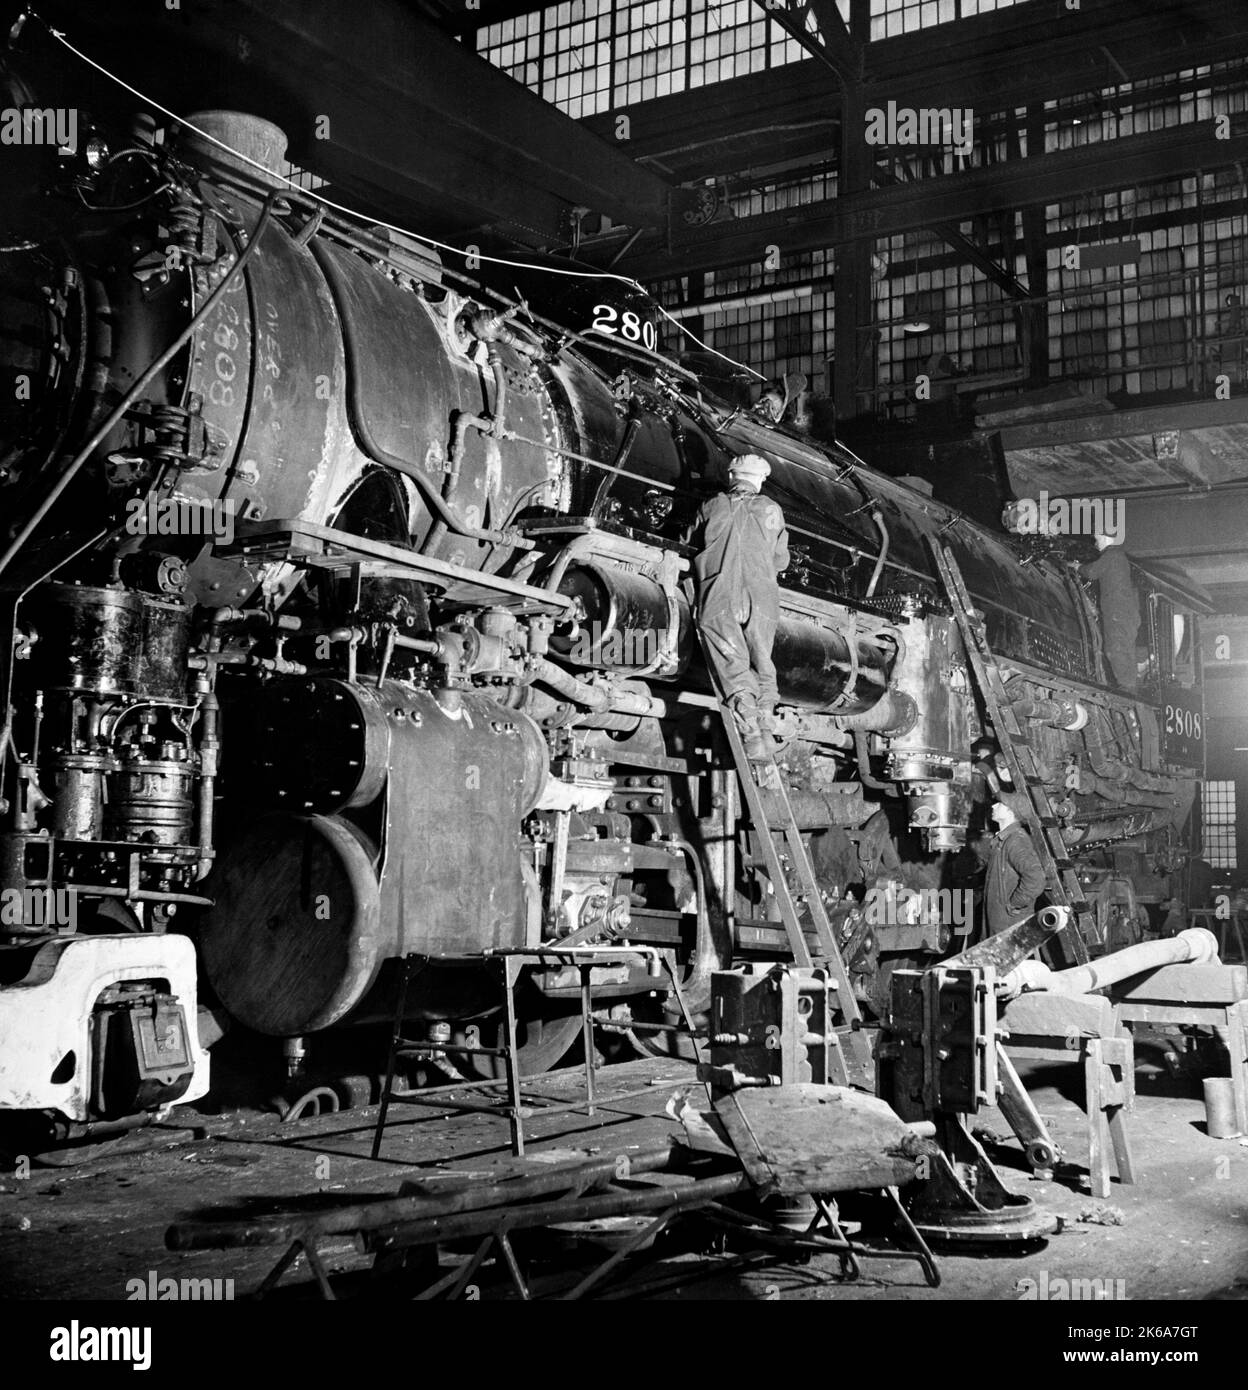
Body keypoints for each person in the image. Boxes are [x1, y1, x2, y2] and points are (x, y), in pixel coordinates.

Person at [690, 453, 789, 760]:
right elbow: (780, 559)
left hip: (721, 594)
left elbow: (689, 542)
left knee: (732, 663)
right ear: (760, 481)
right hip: (762, 599)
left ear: (731, 477)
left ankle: (751, 736)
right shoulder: (772, 509)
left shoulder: (712, 505)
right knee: (762, 661)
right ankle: (766, 721)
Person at [1080, 531, 1141, 690]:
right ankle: (1129, 684)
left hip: (1117, 611)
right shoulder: (1119, 556)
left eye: (1097, 538)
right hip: (1124, 611)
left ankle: (1126, 686)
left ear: (1106, 537)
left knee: (1115, 647)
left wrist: (1078, 567)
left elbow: (1092, 572)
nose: (1096, 543)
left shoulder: (1113, 554)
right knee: (1124, 648)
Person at [985, 794, 1046, 935]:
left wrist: (1015, 903)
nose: (993, 806)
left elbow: (1036, 878)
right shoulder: (1004, 839)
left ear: (1010, 812)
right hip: (1000, 921)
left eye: (999, 803)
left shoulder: (1016, 841)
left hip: (1009, 924)